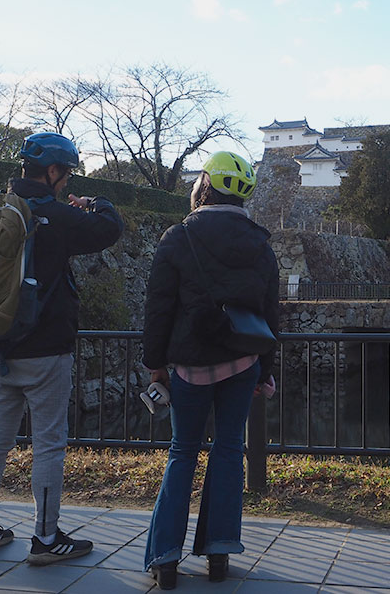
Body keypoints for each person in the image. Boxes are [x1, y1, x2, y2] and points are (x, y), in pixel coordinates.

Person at [0, 132, 124, 565]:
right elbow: (109, 229)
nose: (66, 182)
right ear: (52, 172)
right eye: (65, 175)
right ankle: (46, 538)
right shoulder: (54, 214)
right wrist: (96, 201)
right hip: (46, 348)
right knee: (48, 444)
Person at [142, 151, 279, 589]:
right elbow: (270, 314)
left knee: (182, 452)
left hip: (189, 365)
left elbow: (159, 306)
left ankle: (165, 558)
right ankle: (219, 551)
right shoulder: (260, 242)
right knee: (227, 451)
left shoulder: (178, 236)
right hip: (243, 362)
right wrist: (265, 371)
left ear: (204, 185)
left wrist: (154, 364)